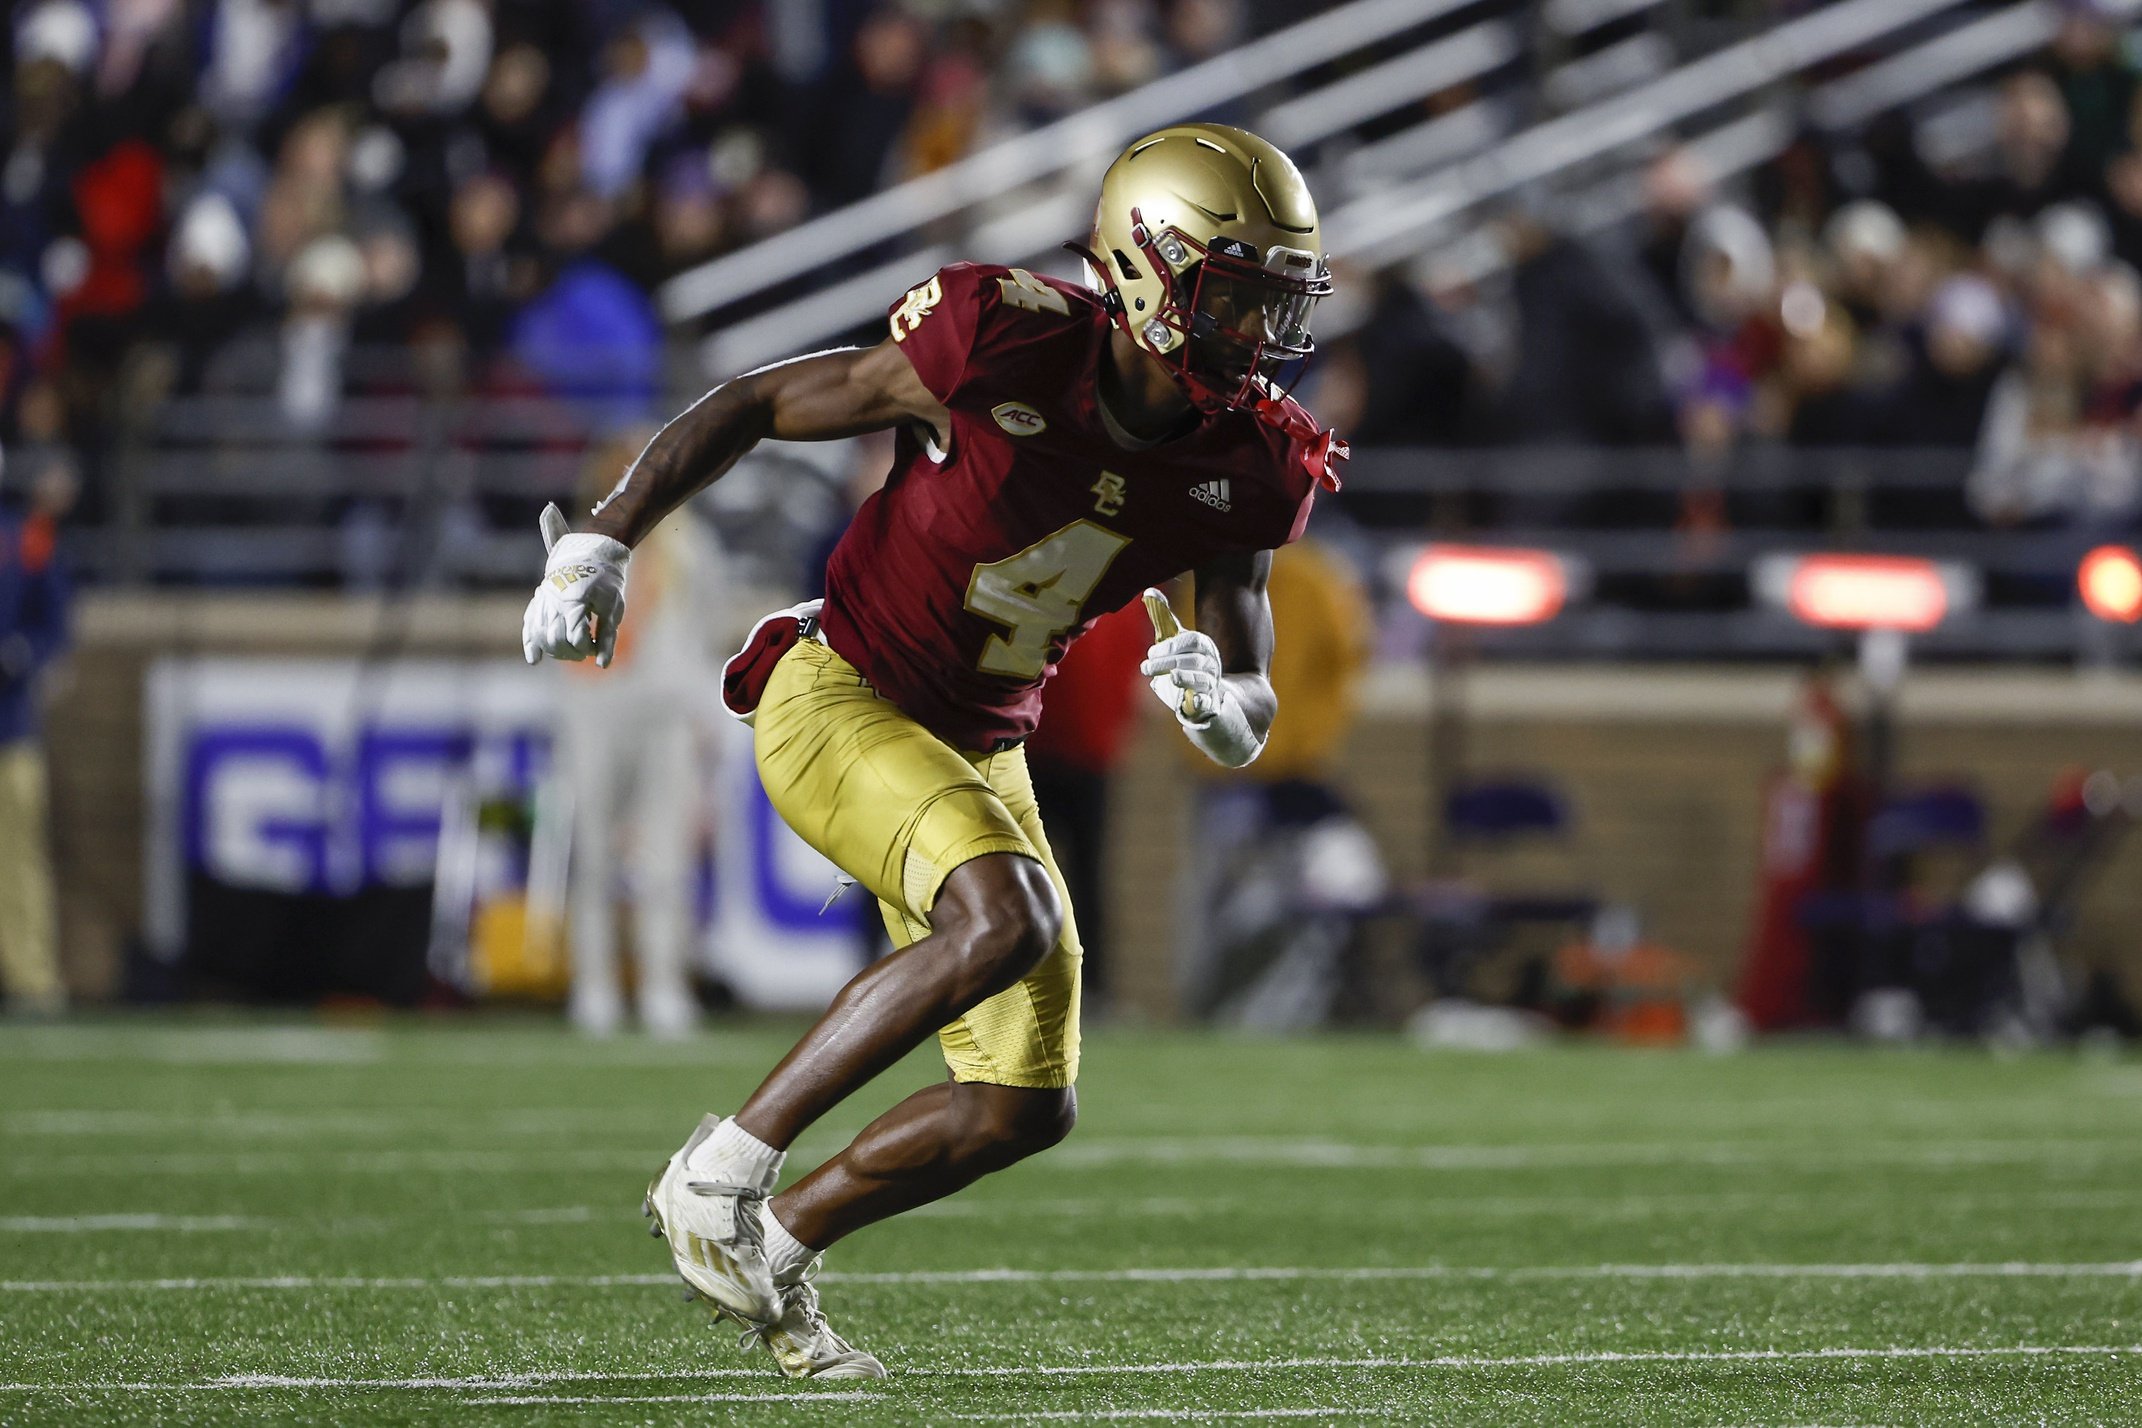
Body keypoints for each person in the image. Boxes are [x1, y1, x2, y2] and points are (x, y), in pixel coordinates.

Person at [520, 124, 1345, 1379]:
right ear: (1145, 267)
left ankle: (774, 1251)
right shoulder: (1004, 338)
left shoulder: (1248, 457)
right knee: (1005, 918)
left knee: (1024, 1105)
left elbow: (1245, 671)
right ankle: (720, 1172)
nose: (1257, 339)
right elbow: (752, 402)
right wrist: (604, 540)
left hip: (982, 737)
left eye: (1276, 306)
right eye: (1236, 300)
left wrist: (1222, 707)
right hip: (843, 690)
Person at [0, 449, 72, 1018]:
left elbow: (55, 625)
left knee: (18, 858)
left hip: (8, 725)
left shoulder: (25, 540)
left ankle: (31, 980)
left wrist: (21, 656)